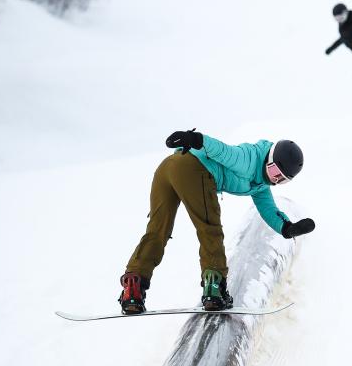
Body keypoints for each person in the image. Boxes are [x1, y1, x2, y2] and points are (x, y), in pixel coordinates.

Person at [118, 130, 316, 314]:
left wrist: (287, 228)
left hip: (167, 168)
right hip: (193, 168)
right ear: (269, 158)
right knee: (209, 229)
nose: (274, 180)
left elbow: (269, 209)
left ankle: (133, 288)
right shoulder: (249, 158)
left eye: (281, 180)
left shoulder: (260, 184)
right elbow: (222, 151)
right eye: (274, 172)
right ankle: (215, 290)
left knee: (157, 230)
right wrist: (195, 139)